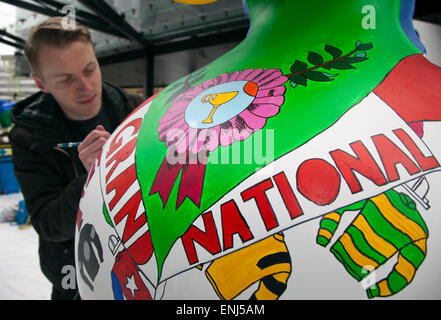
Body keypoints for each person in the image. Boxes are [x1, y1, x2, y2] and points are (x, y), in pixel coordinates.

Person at [8, 16, 144, 300]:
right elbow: (47, 224)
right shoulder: (29, 137)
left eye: (90, 69)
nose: (86, 87)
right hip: (77, 276)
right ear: (41, 83)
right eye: (66, 79)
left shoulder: (134, 111)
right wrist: (92, 179)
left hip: (142, 266)